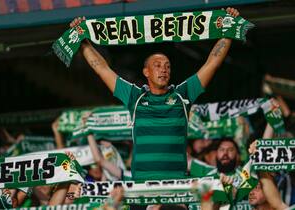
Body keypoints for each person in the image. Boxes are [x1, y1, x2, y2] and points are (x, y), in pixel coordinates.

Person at [70, 7, 240, 181]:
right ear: (146, 72)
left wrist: (227, 32)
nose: (163, 69)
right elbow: (102, 69)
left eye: (167, 66)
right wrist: (83, 42)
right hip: (142, 186)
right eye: (157, 65)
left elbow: (211, 64)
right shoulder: (135, 97)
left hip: (176, 185)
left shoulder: (183, 94)